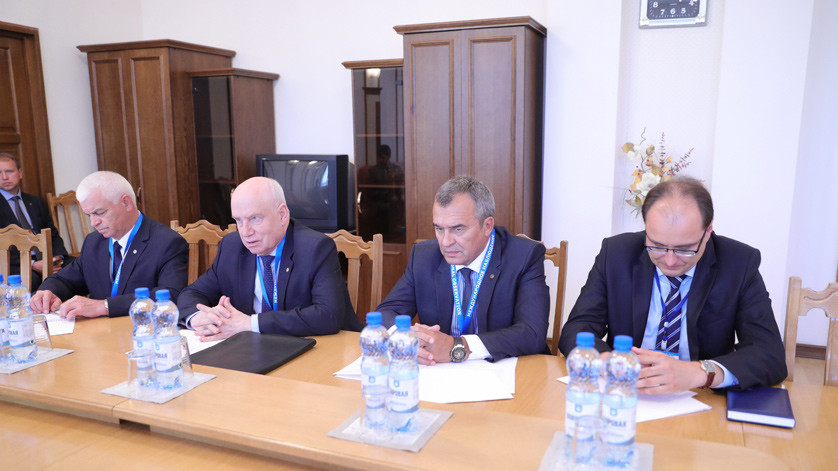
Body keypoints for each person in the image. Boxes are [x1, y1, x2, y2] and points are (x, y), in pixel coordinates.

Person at [558, 177, 787, 393]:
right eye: (657, 246)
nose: (669, 261)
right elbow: (577, 327)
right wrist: (606, 361)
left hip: (699, 397)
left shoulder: (738, 263)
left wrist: (701, 372)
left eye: (684, 249)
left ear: (707, 231)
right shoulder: (617, 254)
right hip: (627, 391)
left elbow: (769, 355)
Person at [376, 175, 550, 364]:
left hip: (504, 369)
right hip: (440, 371)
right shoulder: (423, 256)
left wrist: (458, 346)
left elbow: (532, 333)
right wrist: (406, 338)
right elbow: (386, 312)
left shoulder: (524, 256)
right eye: (439, 229)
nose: (445, 242)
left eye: (458, 229)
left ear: (487, 226)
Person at [177, 177, 360, 339]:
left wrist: (250, 323)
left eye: (254, 218)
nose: (245, 232)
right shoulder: (231, 247)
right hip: (254, 350)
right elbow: (191, 294)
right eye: (239, 220)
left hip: (320, 350)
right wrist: (199, 317)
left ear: (282, 215)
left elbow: (328, 315)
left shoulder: (315, 248)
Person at [30, 171, 188, 319]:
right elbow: (65, 279)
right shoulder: (94, 242)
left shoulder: (167, 242)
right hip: (100, 332)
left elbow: (171, 294)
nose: (93, 223)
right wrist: (47, 291)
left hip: (141, 329)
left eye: (99, 213)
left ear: (126, 203)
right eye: (89, 215)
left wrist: (105, 306)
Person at [0, 153, 69, 290]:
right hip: (15, 265)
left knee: (77, 267)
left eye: (9, 171)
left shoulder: (36, 202)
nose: (4, 177)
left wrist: (57, 258)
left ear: (20, 173)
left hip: (46, 258)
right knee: (34, 280)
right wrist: (32, 264)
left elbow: (52, 234)